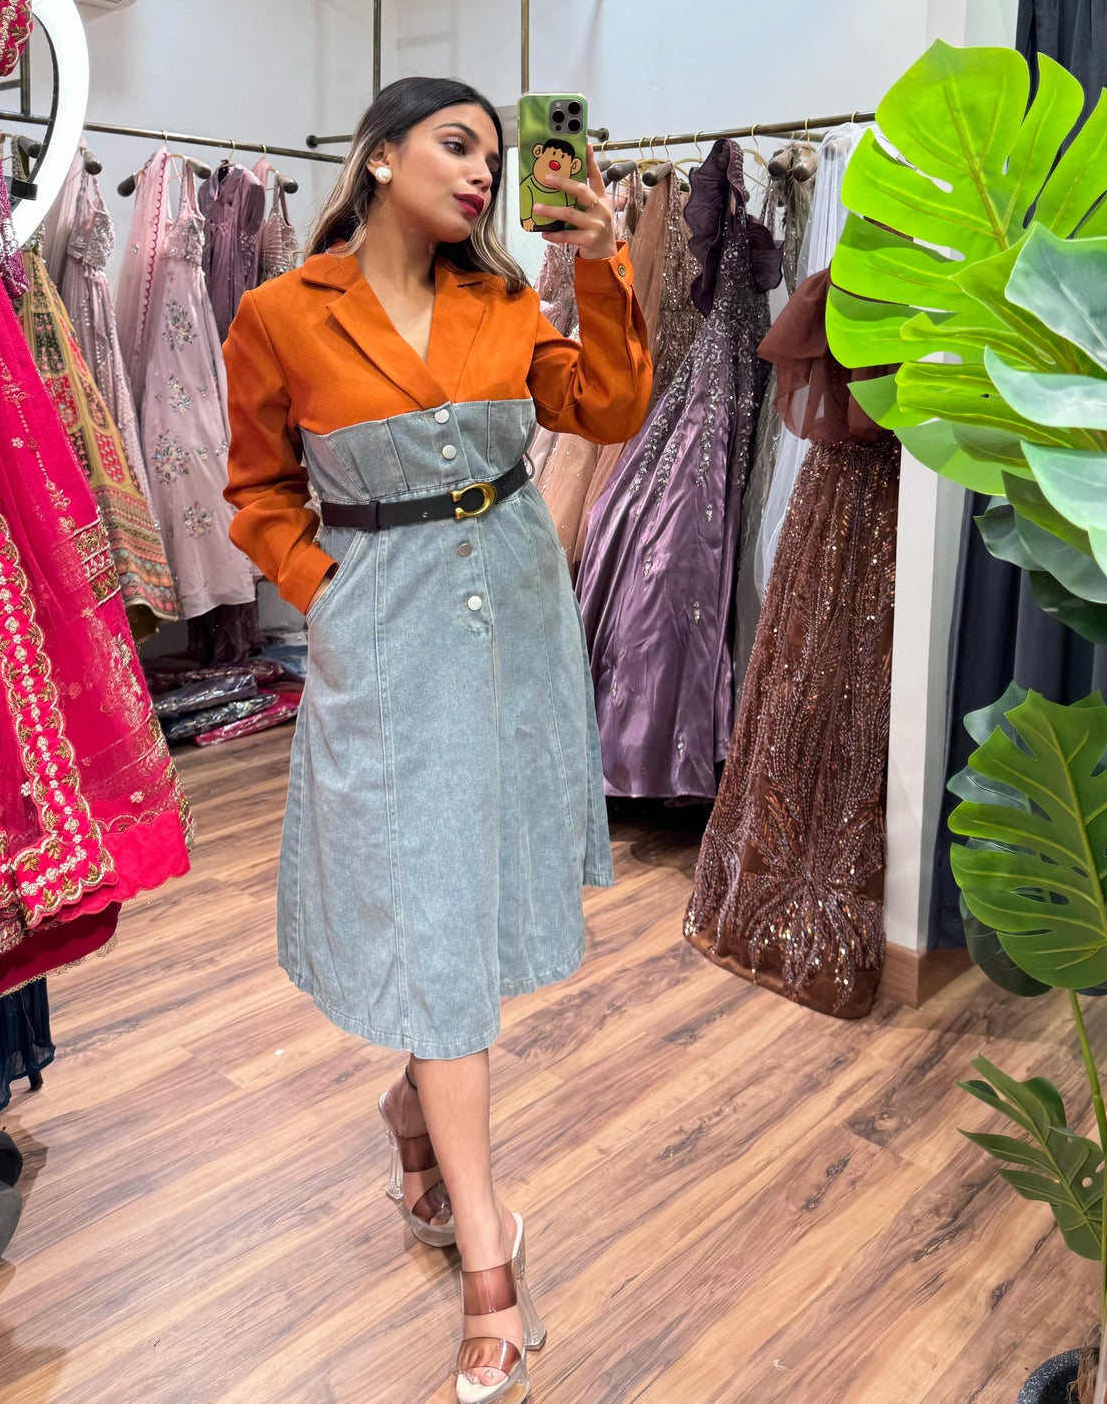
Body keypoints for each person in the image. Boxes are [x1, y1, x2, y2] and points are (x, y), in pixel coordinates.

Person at [222, 77, 652, 1403]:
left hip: (516, 614)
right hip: (384, 623)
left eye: (498, 155)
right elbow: (256, 486)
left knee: (464, 906)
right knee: (429, 915)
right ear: (378, 156)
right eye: (456, 145)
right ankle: (489, 1259)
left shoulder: (506, 298)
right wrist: (322, 593)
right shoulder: (281, 315)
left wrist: (603, 262)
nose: (482, 173)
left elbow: (607, 409)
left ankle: (417, 1115)